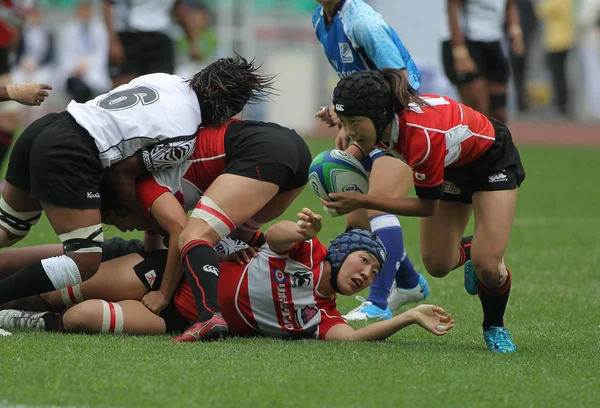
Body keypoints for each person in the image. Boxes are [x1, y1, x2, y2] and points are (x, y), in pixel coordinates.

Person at [0, 56, 276, 317]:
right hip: (73, 149)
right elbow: (123, 173)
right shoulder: (184, 135)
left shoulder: (167, 80)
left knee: (8, 229)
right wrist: (143, 217)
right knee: (85, 260)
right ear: (226, 107)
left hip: (48, 126)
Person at [0, 208, 455, 341]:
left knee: (82, 318)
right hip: (169, 275)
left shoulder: (322, 317)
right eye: (363, 262)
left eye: (374, 272)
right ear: (340, 254)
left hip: (180, 317)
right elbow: (274, 235)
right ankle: (10, 306)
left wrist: (409, 318)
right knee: (60, 288)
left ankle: (26, 323)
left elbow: (353, 341)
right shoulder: (309, 252)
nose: (365, 274)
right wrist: (300, 228)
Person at [322, 69, 525, 353]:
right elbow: (354, 150)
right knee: (438, 265)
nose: (349, 130)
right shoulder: (378, 125)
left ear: (380, 115)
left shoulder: (420, 136)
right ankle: (477, 250)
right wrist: (336, 167)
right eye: (344, 122)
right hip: (451, 167)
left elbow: (428, 206)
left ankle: (494, 326)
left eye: (354, 121)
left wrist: (364, 200)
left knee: (489, 267)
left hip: (491, 160)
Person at [135, 117, 313, 342]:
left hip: (264, 151)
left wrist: (163, 294)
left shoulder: (148, 185)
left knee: (194, 234)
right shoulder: (166, 158)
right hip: (295, 149)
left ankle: (209, 316)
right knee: (238, 242)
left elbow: (177, 235)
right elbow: (157, 244)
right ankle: (284, 301)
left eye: (121, 223)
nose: (127, 227)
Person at [312, 0, 429, 322]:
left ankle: (378, 304)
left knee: (379, 207)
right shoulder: (320, 19)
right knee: (358, 222)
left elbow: (403, 84)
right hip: (366, 125)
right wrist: (346, 119)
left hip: (401, 123)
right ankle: (408, 283)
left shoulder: (363, 22)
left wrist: (353, 117)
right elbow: (353, 78)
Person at [441, 0, 525, 123]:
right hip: (465, 43)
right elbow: (453, 9)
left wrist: (515, 30)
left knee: (499, 114)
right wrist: (459, 51)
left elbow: (510, 5)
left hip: (493, 42)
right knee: (479, 111)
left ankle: (495, 142)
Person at [102, 0, 200, 88]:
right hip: (129, 36)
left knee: (163, 87)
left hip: (160, 37)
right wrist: (113, 41)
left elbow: (179, 8)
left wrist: (193, 42)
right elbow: (107, 5)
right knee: (123, 88)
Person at [536, 0, 575, 118]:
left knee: (558, 75)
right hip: (564, 40)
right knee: (560, 74)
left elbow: (541, 11)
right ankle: (561, 104)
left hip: (556, 41)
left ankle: (561, 104)